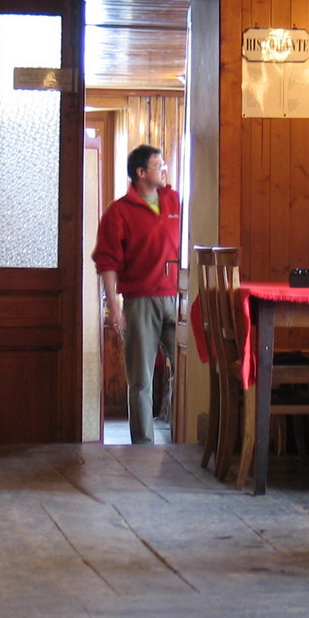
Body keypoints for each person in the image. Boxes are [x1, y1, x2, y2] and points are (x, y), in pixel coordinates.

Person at [93, 145, 182, 444]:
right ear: (141, 173)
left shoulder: (174, 201)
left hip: (176, 298)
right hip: (140, 301)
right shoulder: (118, 212)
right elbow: (106, 262)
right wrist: (114, 308)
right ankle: (143, 446)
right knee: (141, 379)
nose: (164, 168)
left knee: (185, 372)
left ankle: (180, 438)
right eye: (158, 165)